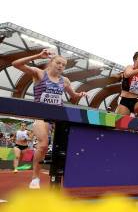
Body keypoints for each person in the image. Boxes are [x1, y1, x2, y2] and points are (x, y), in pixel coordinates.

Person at [12, 49, 87, 188]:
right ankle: (35, 178)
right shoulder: (39, 73)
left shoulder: (64, 80)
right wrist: (38, 56)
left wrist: (80, 94)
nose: (60, 66)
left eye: (63, 65)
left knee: (67, 147)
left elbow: (73, 96)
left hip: (58, 117)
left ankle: (63, 177)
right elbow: (15, 64)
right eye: (58, 63)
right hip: (41, 116)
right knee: (43, 145)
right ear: (51, 62)